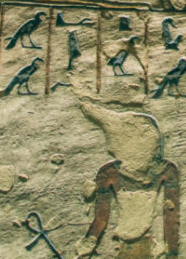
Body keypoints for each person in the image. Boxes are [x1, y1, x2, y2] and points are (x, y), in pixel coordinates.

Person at [75, 102, 179, 258]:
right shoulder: (109, 173)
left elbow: (170, 216)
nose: (111, 150)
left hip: (143, 244)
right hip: (128, 244)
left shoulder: (166, 170)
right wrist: (88, 243)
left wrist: (171, 251)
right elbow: (101, 218)